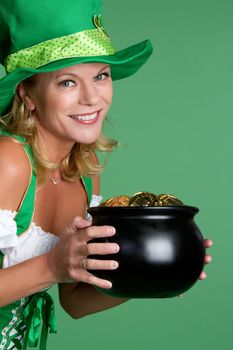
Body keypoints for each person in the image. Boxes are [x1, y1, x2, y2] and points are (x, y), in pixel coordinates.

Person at [0, 0, 212, 349]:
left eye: (100, 75)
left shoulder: (82, 170)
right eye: (67, 82)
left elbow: (75, 302)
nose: (91, 98)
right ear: (29, 94)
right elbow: (54, 270)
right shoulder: (8, 161)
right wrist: (52, 265)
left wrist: (150, 271)